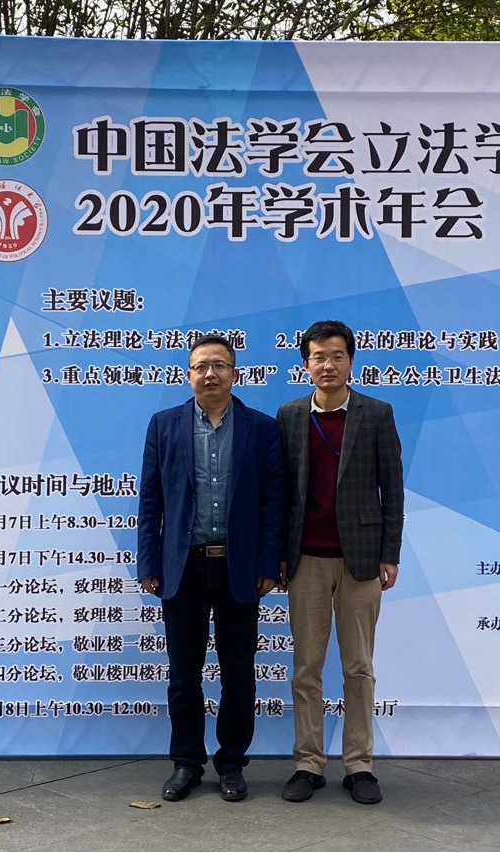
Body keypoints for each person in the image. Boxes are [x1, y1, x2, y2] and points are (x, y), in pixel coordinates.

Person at [138, 334, 285, 802]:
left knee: (238, 673)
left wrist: (269, 563)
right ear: (188, 375)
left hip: (239, 569)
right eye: (201, 366)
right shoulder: (164, 425)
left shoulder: (261, 428)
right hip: (183, 568)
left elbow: (274, 502)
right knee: (184, 674)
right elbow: (151, 500)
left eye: (220, 365)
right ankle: (186, 761)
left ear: (235, 373)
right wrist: (148, 562)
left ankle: (232, 762)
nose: (210, 374)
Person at [276, 320, 403, 805]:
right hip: (305, 558)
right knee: (306, 667)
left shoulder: (376, 413)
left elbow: (392, 488)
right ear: (305, 364)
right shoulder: (289, 415)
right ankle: (308, 763)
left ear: (351, 362)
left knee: (358, 667)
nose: (328, 365)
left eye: (337, 356)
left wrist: (390, 553)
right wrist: (278, 555)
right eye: (318, 357)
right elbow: (280, 491)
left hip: (361, 560)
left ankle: (359, 765)